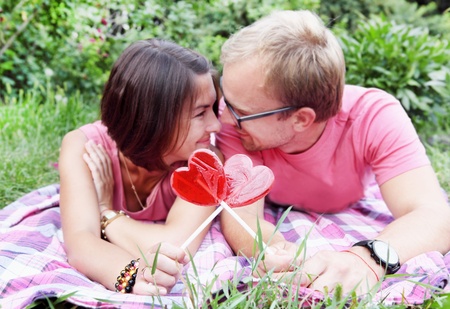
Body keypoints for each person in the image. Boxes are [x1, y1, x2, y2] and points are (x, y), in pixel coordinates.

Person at [216, 10, 450, 295]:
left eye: (240, 112)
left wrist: (366, 258)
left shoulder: (374, 116)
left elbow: (435, 215)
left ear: (301, 119)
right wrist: (280, 251)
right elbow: (241, 216)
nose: (222, 121)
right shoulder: (235, 124)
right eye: (224, 99)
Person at [59, 38, 222, 295]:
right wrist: (131, 275)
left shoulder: (207, 163)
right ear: (154, 119)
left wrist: (105, 212)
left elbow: (176, 244)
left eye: (214, 110)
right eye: (201, 114)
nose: (216, 127)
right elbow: (80, 242)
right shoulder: (85, 148)